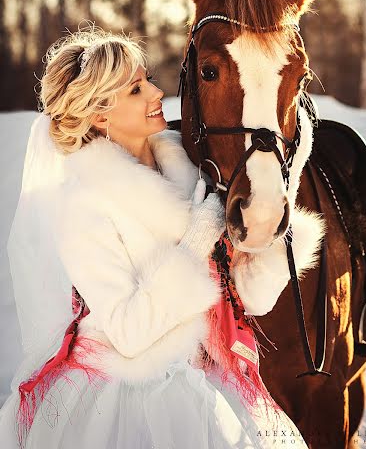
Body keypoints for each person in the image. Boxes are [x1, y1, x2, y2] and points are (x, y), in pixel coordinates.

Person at [0, 27, 307, 448]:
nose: (156, 93)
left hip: (206, 380)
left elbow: (249, 301)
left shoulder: (192, 170)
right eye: (135, 90)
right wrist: (196, 241)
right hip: (129, 396)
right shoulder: (83, 204)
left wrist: (269, 243)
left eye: (147, 79)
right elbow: (127, 333)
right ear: (100, 115)